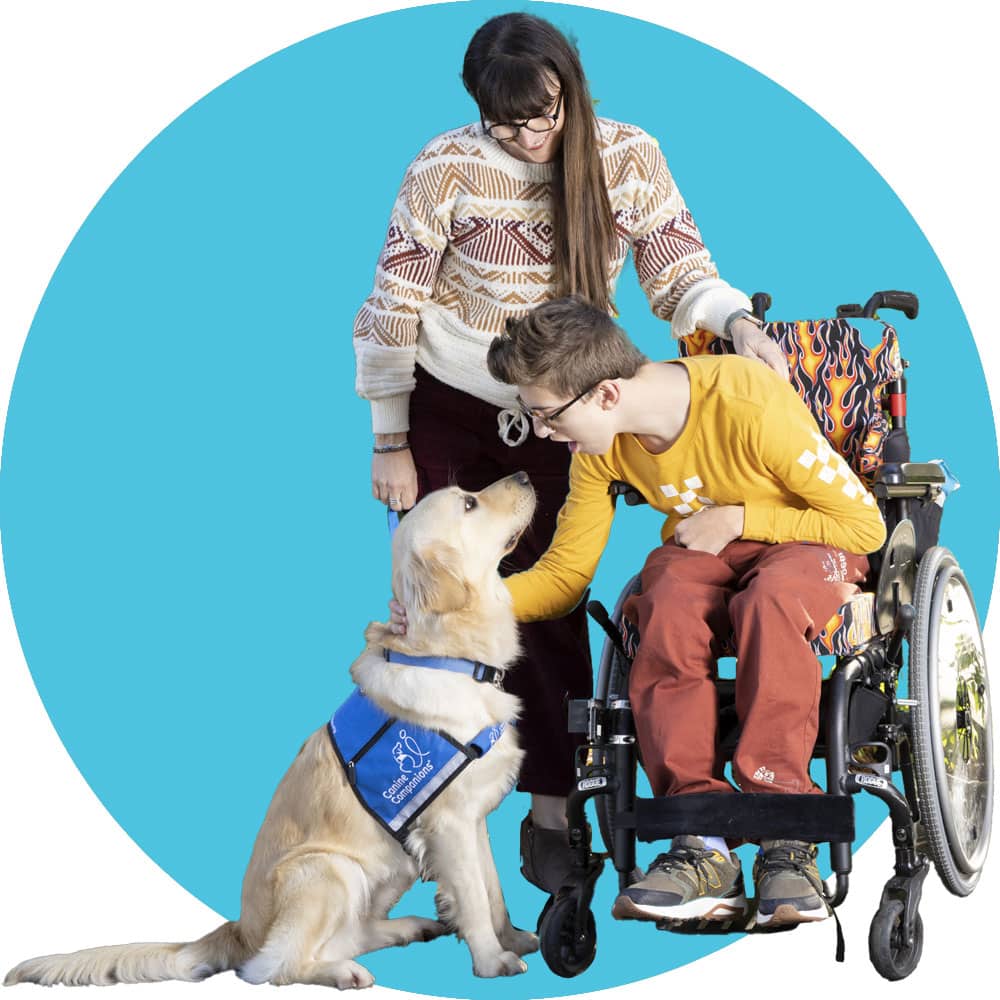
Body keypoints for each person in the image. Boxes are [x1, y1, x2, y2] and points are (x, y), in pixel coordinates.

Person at [355, 11, 787, 895]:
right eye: (506, 122)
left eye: (542, 114)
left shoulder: (626, 155)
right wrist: (391, 438)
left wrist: (736, 318)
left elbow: (678, 270)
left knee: (550, 606)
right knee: (441, 604)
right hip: (454, 404)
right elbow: (392, 307)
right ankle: (428, 813)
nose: (527, 137)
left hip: (568, 406)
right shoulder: (445, 168)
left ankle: (552, 808)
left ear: (571, 90)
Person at [481, 295, 886, 926]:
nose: (541, 432)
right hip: (706, 553)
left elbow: (864, 525)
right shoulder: (601, 450)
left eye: (546, 415)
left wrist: (741, 518)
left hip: (812, 542)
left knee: (769, 601)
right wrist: (470, 601)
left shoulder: (746, 402)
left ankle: (785, 843)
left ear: (605, 395)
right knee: (662, 598)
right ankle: (701, 845)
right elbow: (564, 577)